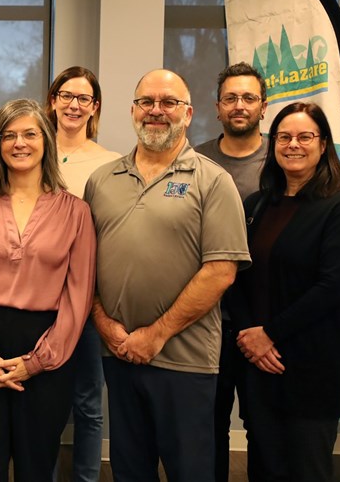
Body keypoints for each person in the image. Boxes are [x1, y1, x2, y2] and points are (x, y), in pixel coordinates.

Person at [83, 69, 250, 482]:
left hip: (184, 361)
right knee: (129, 469)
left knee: (189, 471)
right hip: (119, 355)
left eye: (168, 102)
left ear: (188, 113)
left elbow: (220, 272)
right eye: (146, 102)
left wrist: (155, 334)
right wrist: (105, 326)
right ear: (133, 111)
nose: (156, 111)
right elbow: (83, 265)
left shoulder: (213, 181)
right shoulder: (102, 181)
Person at [0, 98, 97, 481]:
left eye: (30, 134)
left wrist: (37, 362)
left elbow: (77, 299)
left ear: (46, 140)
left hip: (47, 350)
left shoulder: (76, 212)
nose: (20, 143)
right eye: (9, 136)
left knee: (36, 465)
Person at [232, 102, 340, 482]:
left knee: (307, 469)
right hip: (258, 365)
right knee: (264, 466)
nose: (293, 145)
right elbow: (236, 277)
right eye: (284, 137)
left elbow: (332, 288)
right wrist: (249, 337)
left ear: (323, 145)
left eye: (305, 137)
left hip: (311, 367)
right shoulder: (257, 204)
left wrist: (269, 334)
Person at [193, 61, 268, 482]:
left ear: (263, 106)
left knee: (263, 429)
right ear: (217, 107)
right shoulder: (197, 160)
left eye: (248, 98)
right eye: (231, 98)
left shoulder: (281, 160)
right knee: (209, 429)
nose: (239, 106)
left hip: (263, 322)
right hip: (208, 322)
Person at [45, 66, 119, 482]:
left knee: (89, 404)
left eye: (84, 99)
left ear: (95, 108)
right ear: (53, 100)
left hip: (87, 299)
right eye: (66, 95)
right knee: (46, 403)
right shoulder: (32, 149)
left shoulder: (110, 163)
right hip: (38, 298)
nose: (74, 105)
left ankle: (87, 478)